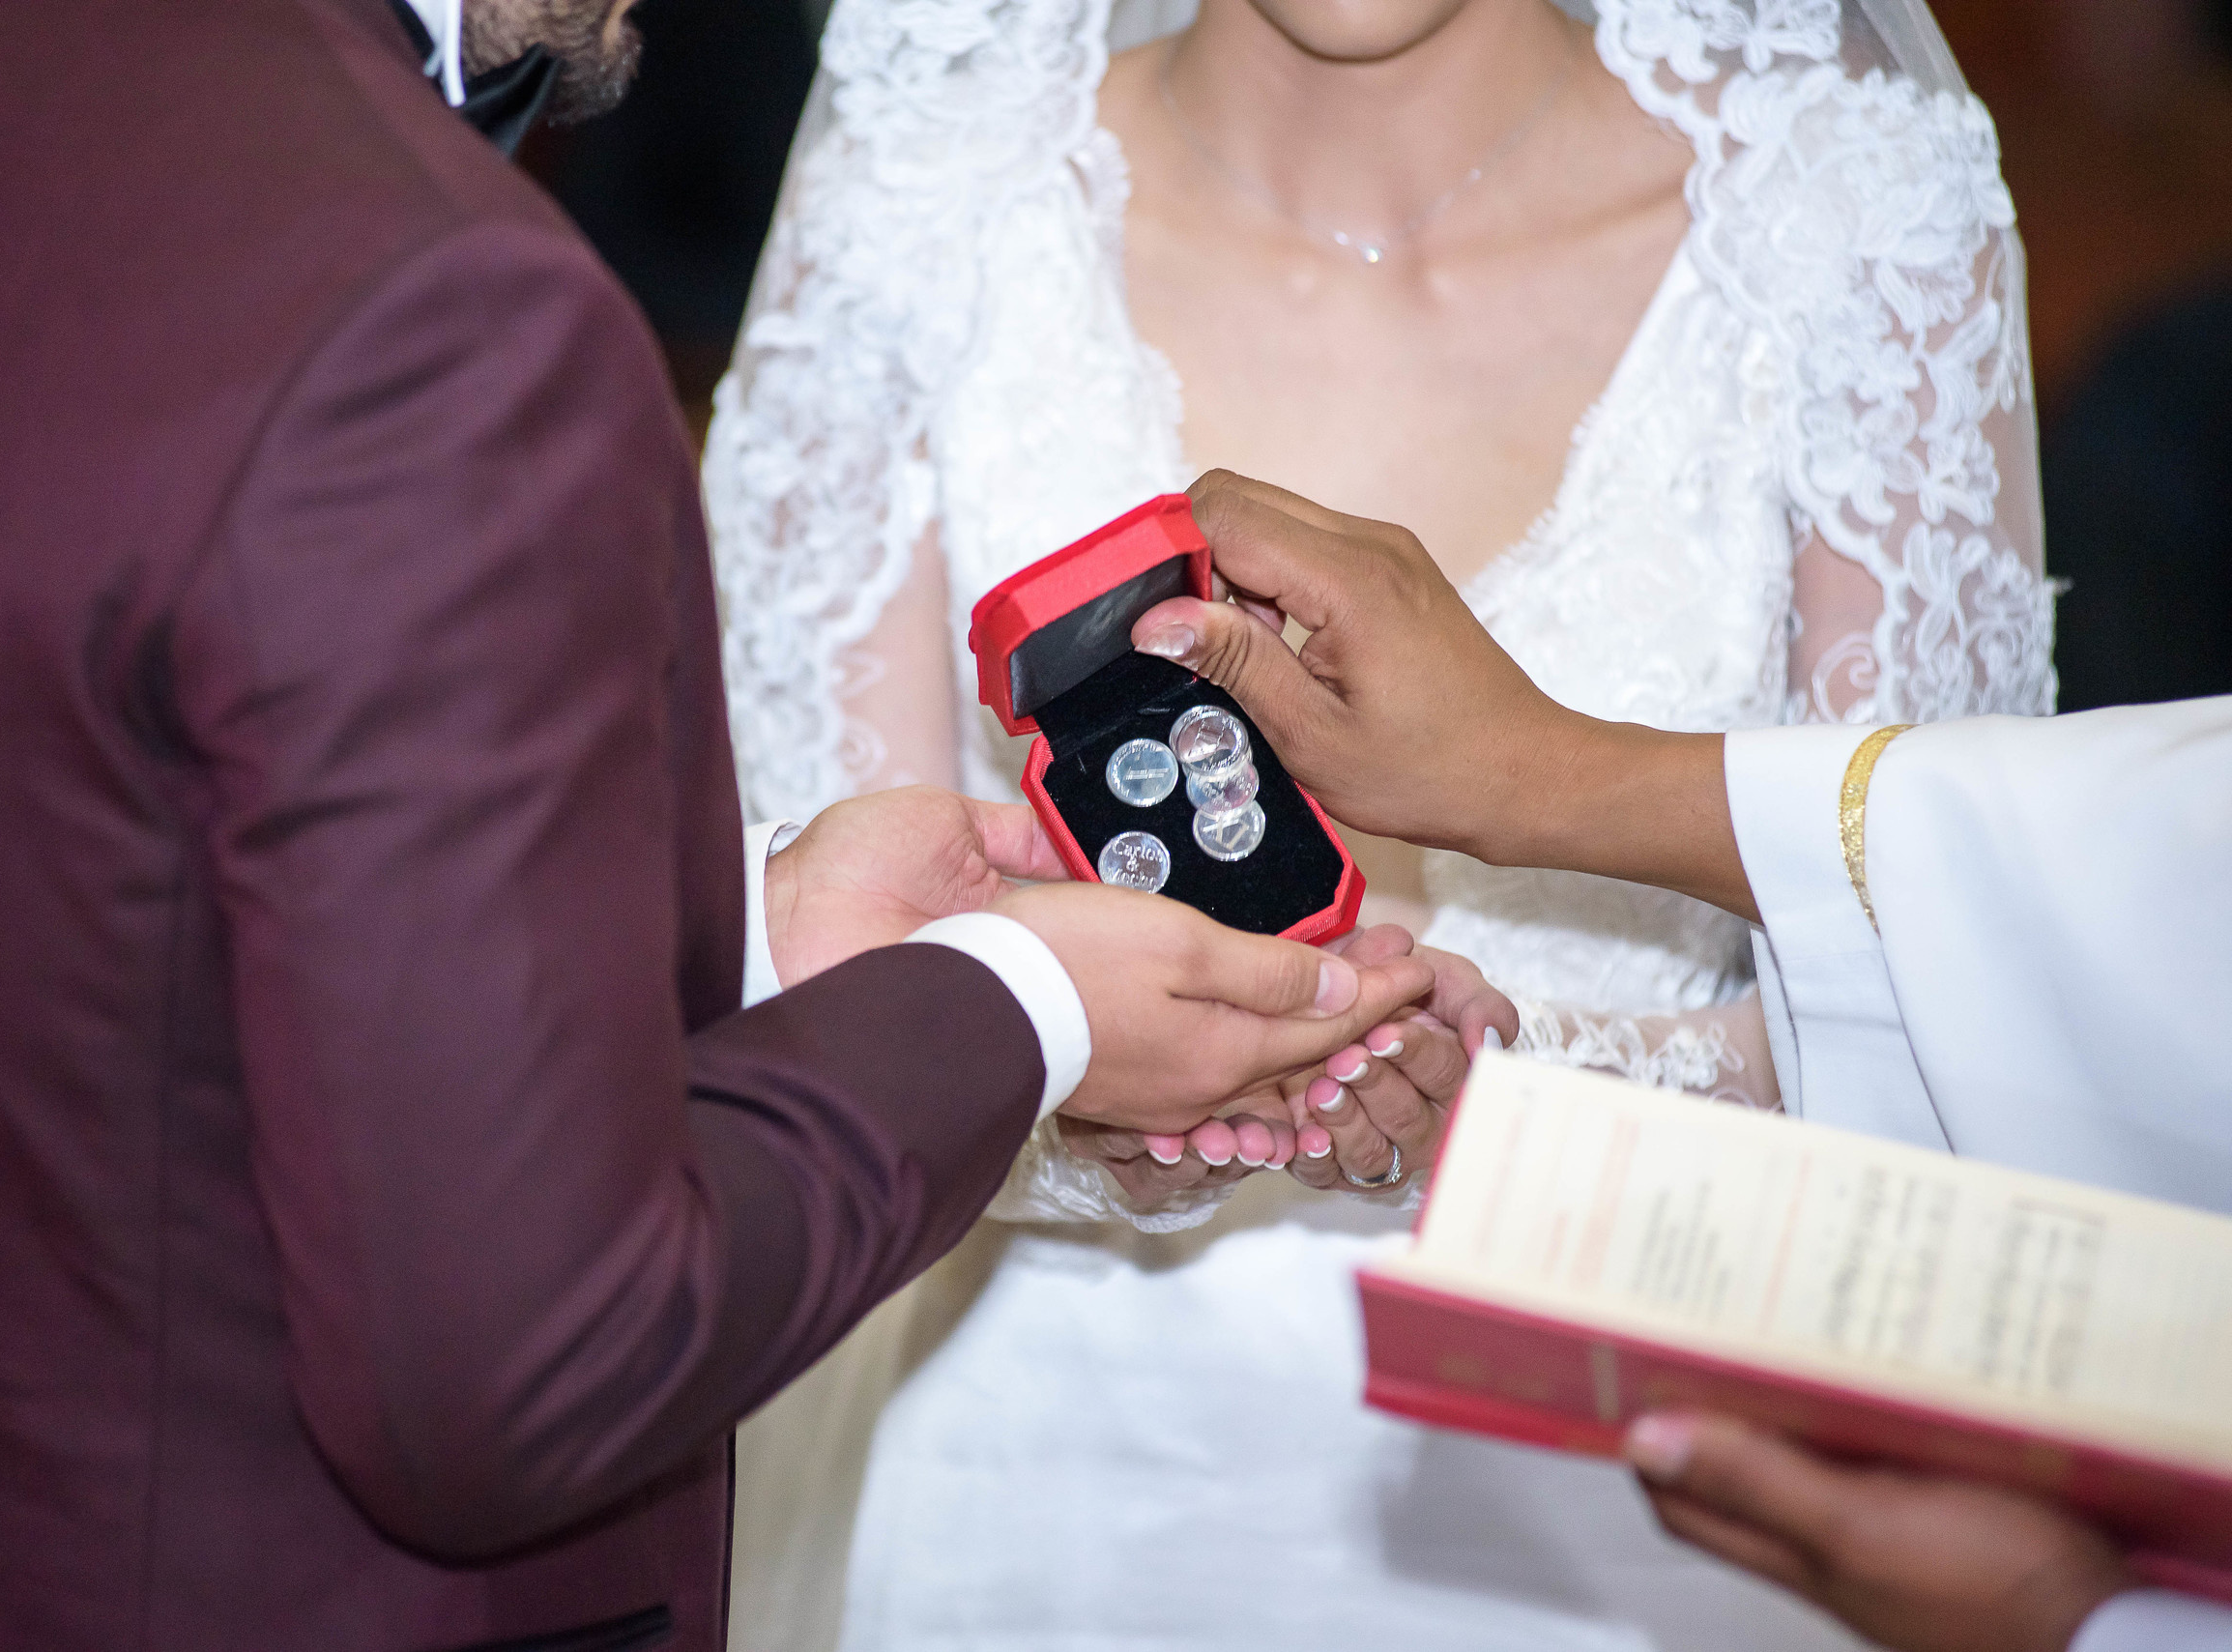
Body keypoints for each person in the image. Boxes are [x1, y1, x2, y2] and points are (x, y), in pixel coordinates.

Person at [0, 3, 1442, 1647]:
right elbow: (519, 1367)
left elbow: (49, 857)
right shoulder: (422, 302)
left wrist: (769, 934)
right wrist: (1021, 999)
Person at [704, 0, 2051, 1644]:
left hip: (1644, 1483)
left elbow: (1947, 980)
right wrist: (1072, 1082)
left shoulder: (1849, 213)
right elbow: (803, 985)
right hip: (1046, 1483)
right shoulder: (929, 182)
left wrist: (1515, 1080)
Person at [1131, 468, 2232, 1652]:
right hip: (1103, 1440)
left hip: (1657, 1388)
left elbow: (1914, 1002)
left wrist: (1528, 832)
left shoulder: (1879, 283)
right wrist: (1063, 1074)